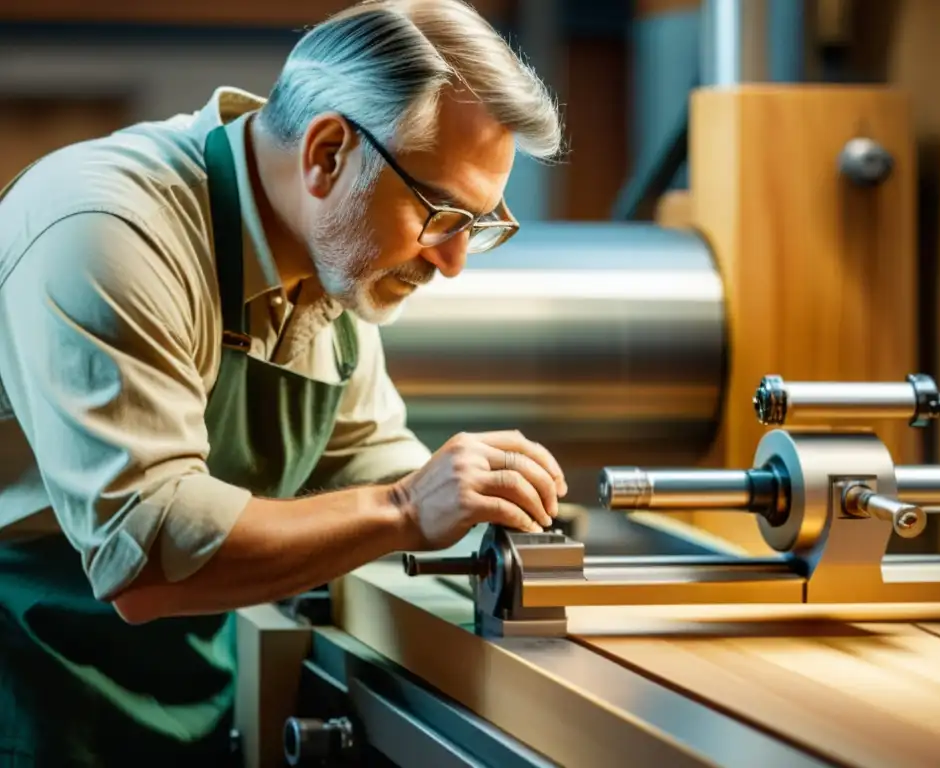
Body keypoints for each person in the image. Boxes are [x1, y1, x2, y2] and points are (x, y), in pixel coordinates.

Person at [0, 1, 566, 765]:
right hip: (30, 701)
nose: (454, 259)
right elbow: (147, 556)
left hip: (184, 704)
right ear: (328, 153)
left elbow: (370, 467)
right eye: (441, 214)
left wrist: (505, 546)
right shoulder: (109, 228)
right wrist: (406, 507)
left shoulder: (332, 272)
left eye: (481, 223)